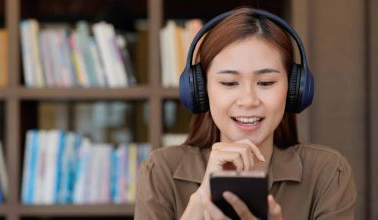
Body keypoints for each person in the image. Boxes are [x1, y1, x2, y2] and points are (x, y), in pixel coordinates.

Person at [135, 7, 356, 220]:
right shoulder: (161, 170)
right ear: (200, 90)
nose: (248, 100)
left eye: (266, 82)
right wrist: (201, 200)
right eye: (229, 83)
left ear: (293, 89)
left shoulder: (327, 173)